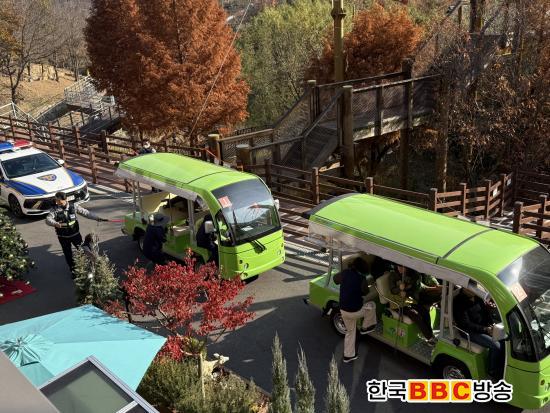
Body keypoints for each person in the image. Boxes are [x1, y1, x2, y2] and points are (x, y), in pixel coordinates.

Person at [46, 192, 107, 276]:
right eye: (56, 200)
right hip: (63, 237)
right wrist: (54, 223)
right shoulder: (54, 209)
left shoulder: (73, 206)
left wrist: (97, 218)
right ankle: (73, 271)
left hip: (75, 235)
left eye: (59, 200)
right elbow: (48, 219)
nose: (57, 202)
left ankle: (88, 266)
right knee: (68, 254)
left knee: (82, 250)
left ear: (65, 199)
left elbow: (86, 213)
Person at [333, 257, 377, 363]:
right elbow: (365, 292)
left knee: (350, 332)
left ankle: (348, 356)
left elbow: (335, 279)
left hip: (343, 310)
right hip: (355, 311)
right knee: (372, 305)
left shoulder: (345, 272)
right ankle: (366, 327)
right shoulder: (361, 278)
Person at [453, 288, 504, 379]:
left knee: (504, 338)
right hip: (469, 331)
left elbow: (485, 312)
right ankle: (492, 371)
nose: (474, 290)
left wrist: (491, 324)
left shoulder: (477, 297)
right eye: (471, 288)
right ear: (465, 288)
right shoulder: (458, 302)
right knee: (496, 345)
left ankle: (500, 363)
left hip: (483, 327)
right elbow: (466, 324)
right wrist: (486, 329)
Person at [389, 265, 436, 345]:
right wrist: (399, 288)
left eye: (402, 267)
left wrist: (406, 292)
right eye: (398, 266)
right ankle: (429, 338)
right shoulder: (393, 275)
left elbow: (411, 288)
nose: (400, 269)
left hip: (407, 301)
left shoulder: (409, 275)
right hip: (397, 304)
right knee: (415, 315)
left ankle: (430, 334)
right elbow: (392, 290)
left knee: (424, 311)